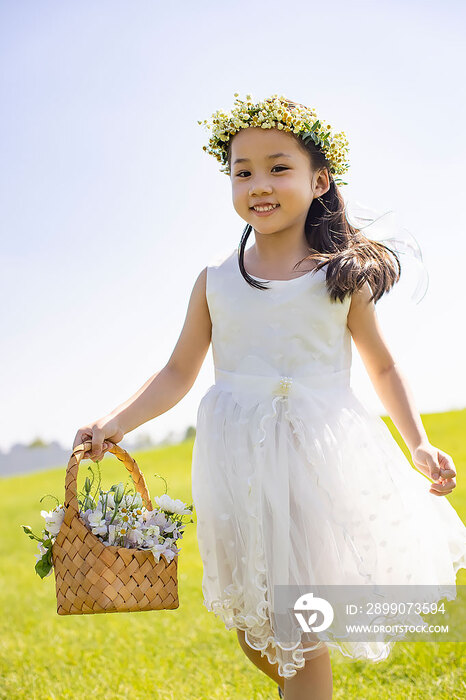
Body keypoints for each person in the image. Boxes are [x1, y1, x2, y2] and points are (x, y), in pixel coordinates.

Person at [73, 94, 466, 700]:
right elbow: (178, 370)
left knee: (297, 624)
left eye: (279, 167)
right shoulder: (215, 281)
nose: (260, 183)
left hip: (314, 462)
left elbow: (383, 367)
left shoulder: (339, 274)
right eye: (243, 171)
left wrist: (417, 443)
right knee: (253, 631)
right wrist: (114, 422)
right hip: (238, 467)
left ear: (319, 179)